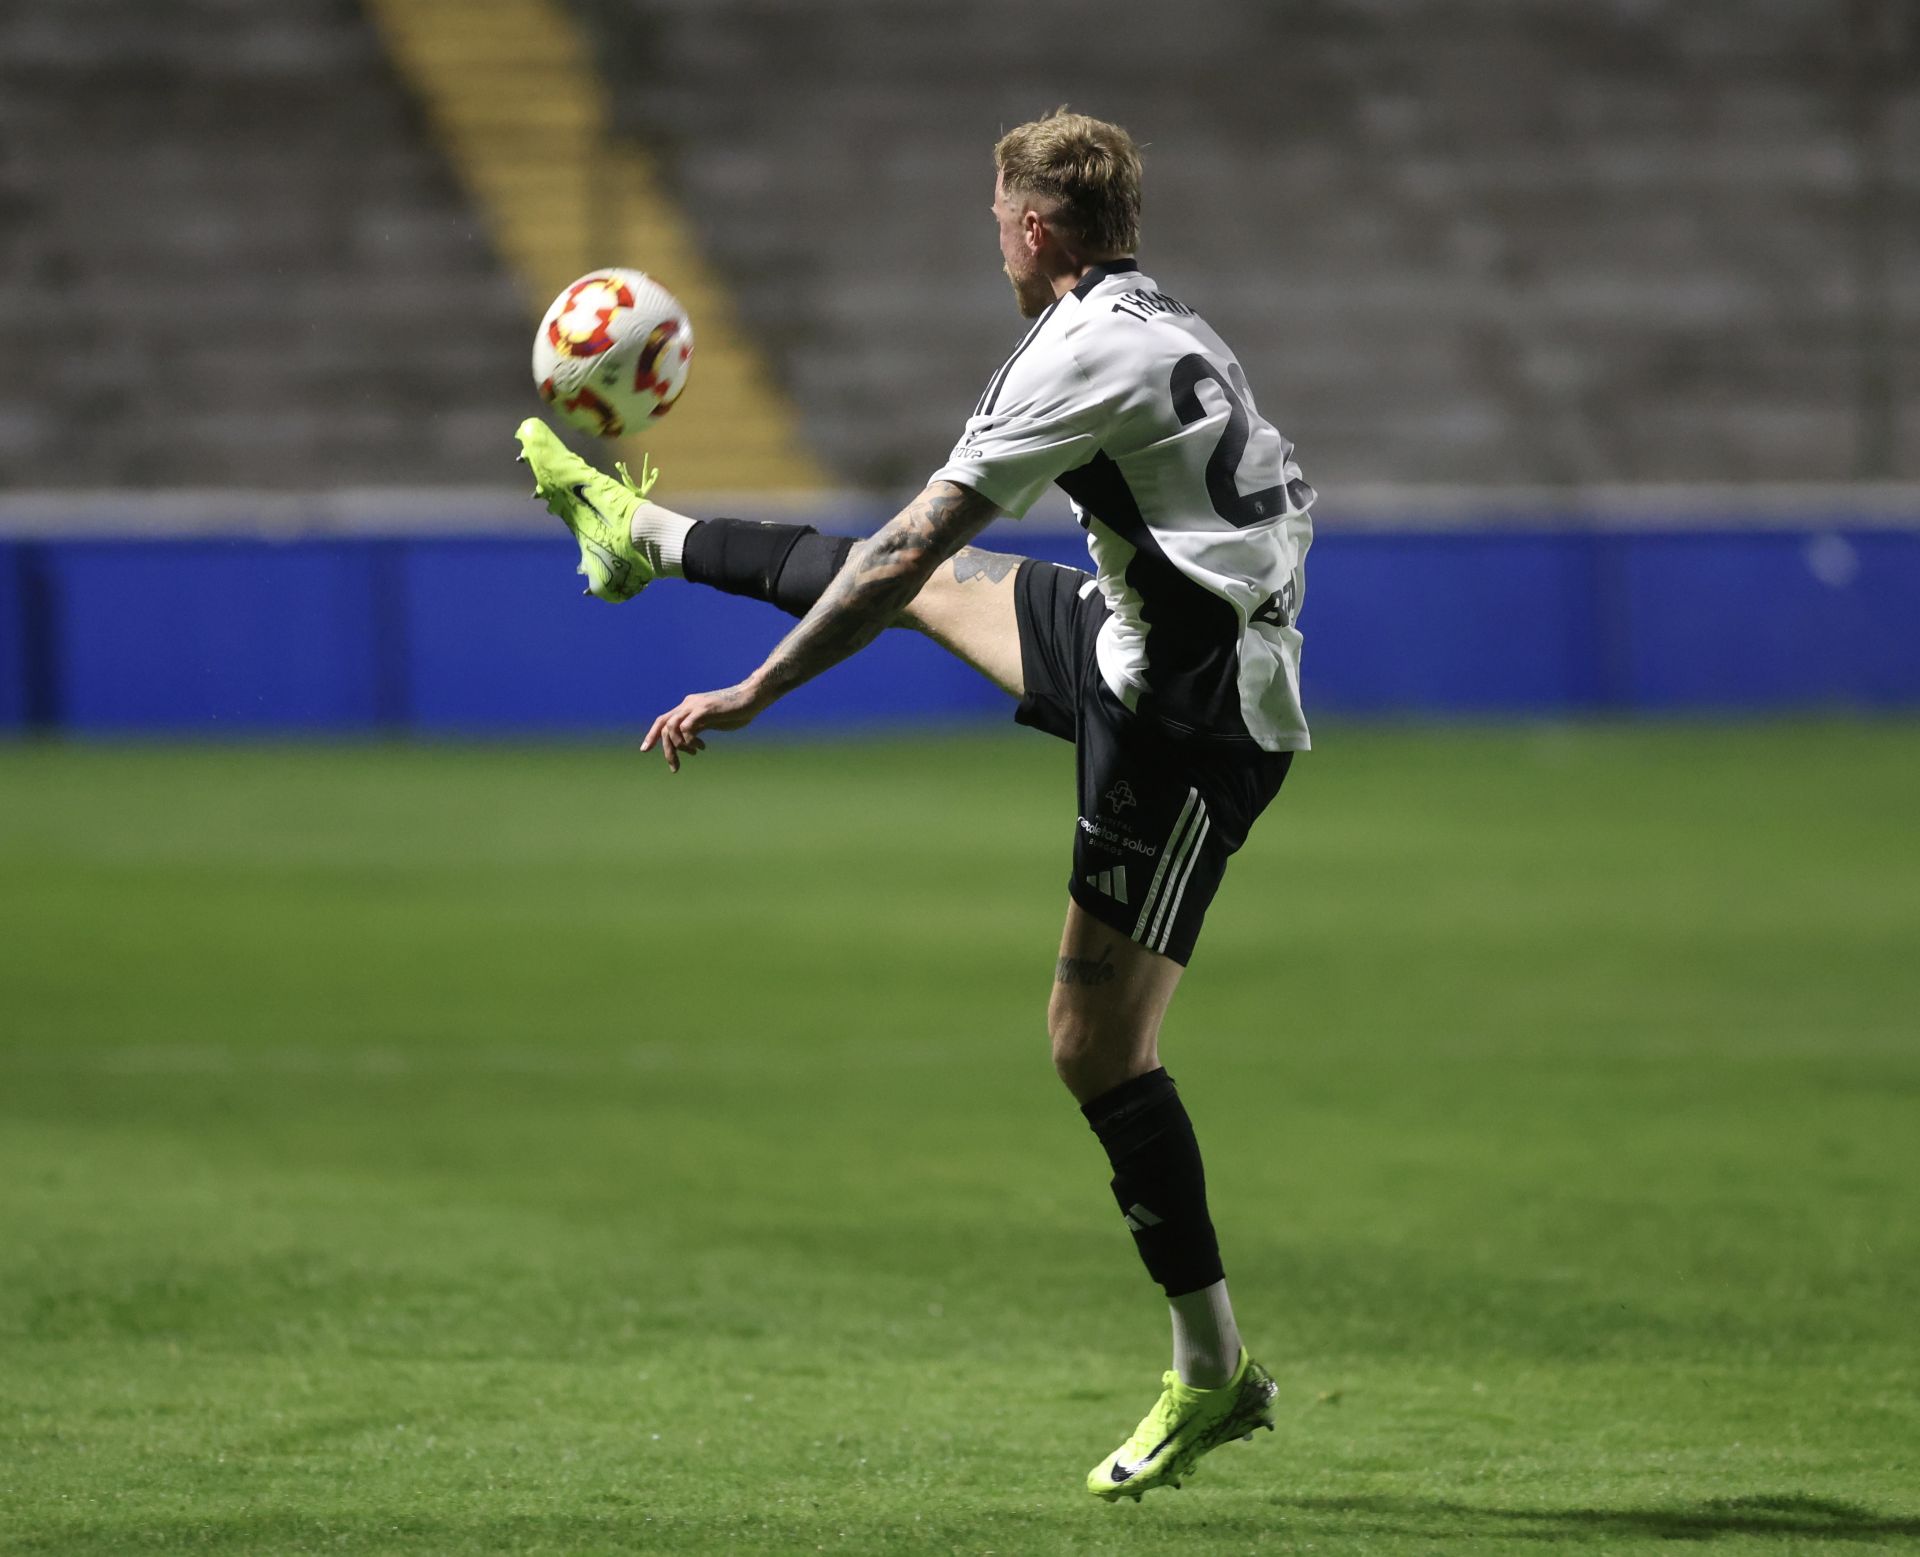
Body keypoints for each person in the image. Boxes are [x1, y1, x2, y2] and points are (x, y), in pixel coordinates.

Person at [514, 106, 1314, 1502]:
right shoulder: (1155, 316)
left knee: (1092, 1047)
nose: (989, 235)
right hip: (1145, 642)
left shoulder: (1075, 352)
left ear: (1035, 229)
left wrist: (752, 692)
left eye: (996, 214)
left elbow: (892, 555)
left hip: (1193, 720)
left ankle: (1213, 1370)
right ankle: (634, 531)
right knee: (936, 591)